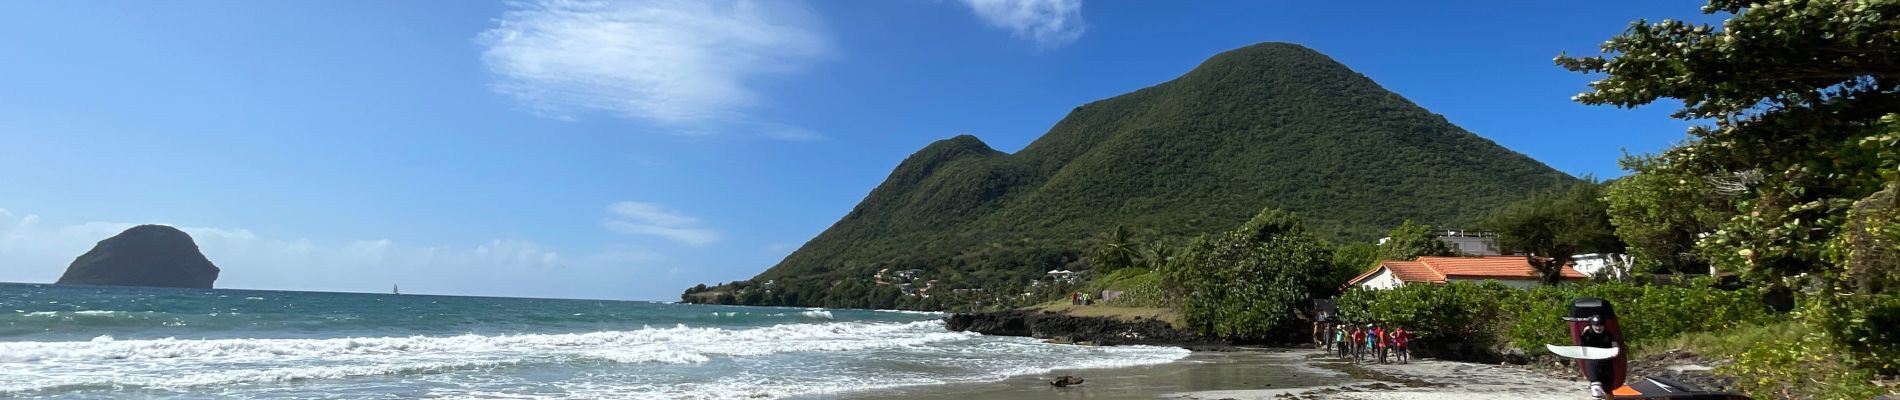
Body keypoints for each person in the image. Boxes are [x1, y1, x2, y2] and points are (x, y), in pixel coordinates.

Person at [1578, 316, 1617, 399]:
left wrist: (1615, 351)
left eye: (1600, 325)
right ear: (1592, 325)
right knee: (1596, 388)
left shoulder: (1608, 334)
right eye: (1596, 326)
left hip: (1606, 365)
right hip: (1593, 364)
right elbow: (1581, 347)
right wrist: (1584, 332)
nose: (1598, 328)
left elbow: (1615, 347)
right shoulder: (1588, 334)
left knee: (1608, 391)